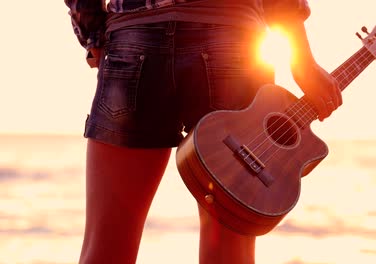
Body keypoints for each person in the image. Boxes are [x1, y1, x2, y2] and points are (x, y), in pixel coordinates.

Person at [64, 0, 342, 263]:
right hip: (233, 40)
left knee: (106, 249)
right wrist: (302, 60)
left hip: (137, 36)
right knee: (230, 253)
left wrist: (94, 34)